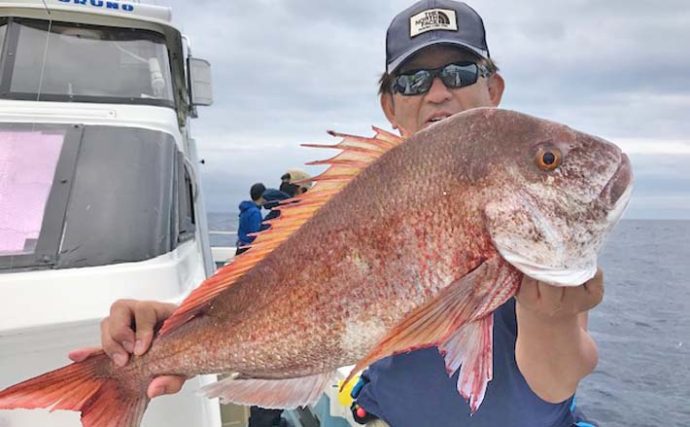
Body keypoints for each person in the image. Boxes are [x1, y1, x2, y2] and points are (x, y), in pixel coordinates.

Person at [68, 2, 604, 426]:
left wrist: (549, 314)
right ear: (390, 107)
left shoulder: (528, 203)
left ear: (495, 89)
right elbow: (296, 300)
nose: (439, 91)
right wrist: (178, 325)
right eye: (413, 81)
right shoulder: (359, 194)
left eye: (460, 71)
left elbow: (558, 377)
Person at [235, 182, 266, 256]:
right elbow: (255, 234)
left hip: (241, 246)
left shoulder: (246, 210)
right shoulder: (255, 212)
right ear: (262, 195)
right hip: (248, 249)